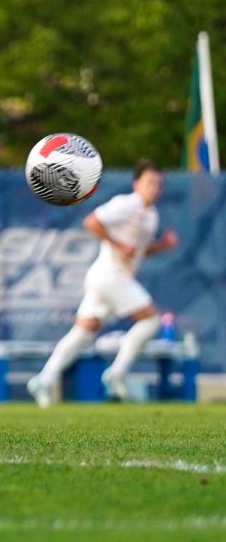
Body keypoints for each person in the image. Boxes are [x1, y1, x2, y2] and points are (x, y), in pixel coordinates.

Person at [27, 159, 178, 407]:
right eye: (150, 182)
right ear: (136, 183)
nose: (155, 188)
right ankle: (116, 374)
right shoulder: (126, 204)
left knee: (83, 332)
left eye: (159, 184)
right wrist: (119, 244)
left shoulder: (151, 215)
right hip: (109, 277)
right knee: (151, 320)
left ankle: (43, 380)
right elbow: (92, 222)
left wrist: (162, 245)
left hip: (107, 279)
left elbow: (138, 251)